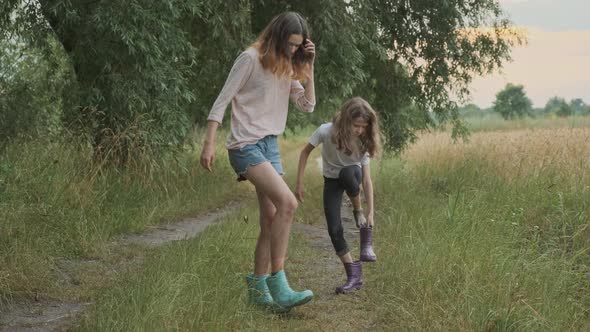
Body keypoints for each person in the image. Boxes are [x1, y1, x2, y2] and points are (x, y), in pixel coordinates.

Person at [199, 12, 316, 312]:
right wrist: (209, 143)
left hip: (269, 146)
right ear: (277, 36)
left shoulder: (288, 65)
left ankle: (257, 286)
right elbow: (222, 100)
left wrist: (309, 67)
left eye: (297, 46)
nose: (292, 50)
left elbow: (307, 106)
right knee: (288, 204)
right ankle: (280, 283)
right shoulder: (250, 59)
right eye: (289, 44)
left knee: (270, 217)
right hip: (245, 145)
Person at [295, 97, 381, 294]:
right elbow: (304, 152)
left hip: (353, 176)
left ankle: (357, 211)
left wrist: (370, 212)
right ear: (345, 120)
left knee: (348, 173)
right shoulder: (326, 130)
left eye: (363, 126)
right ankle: (354, 275)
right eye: (355, 125)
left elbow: (366, 180)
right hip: (331, 181)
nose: (359, 130)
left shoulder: (363, 140)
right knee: (334, 229)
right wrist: (299, 183)